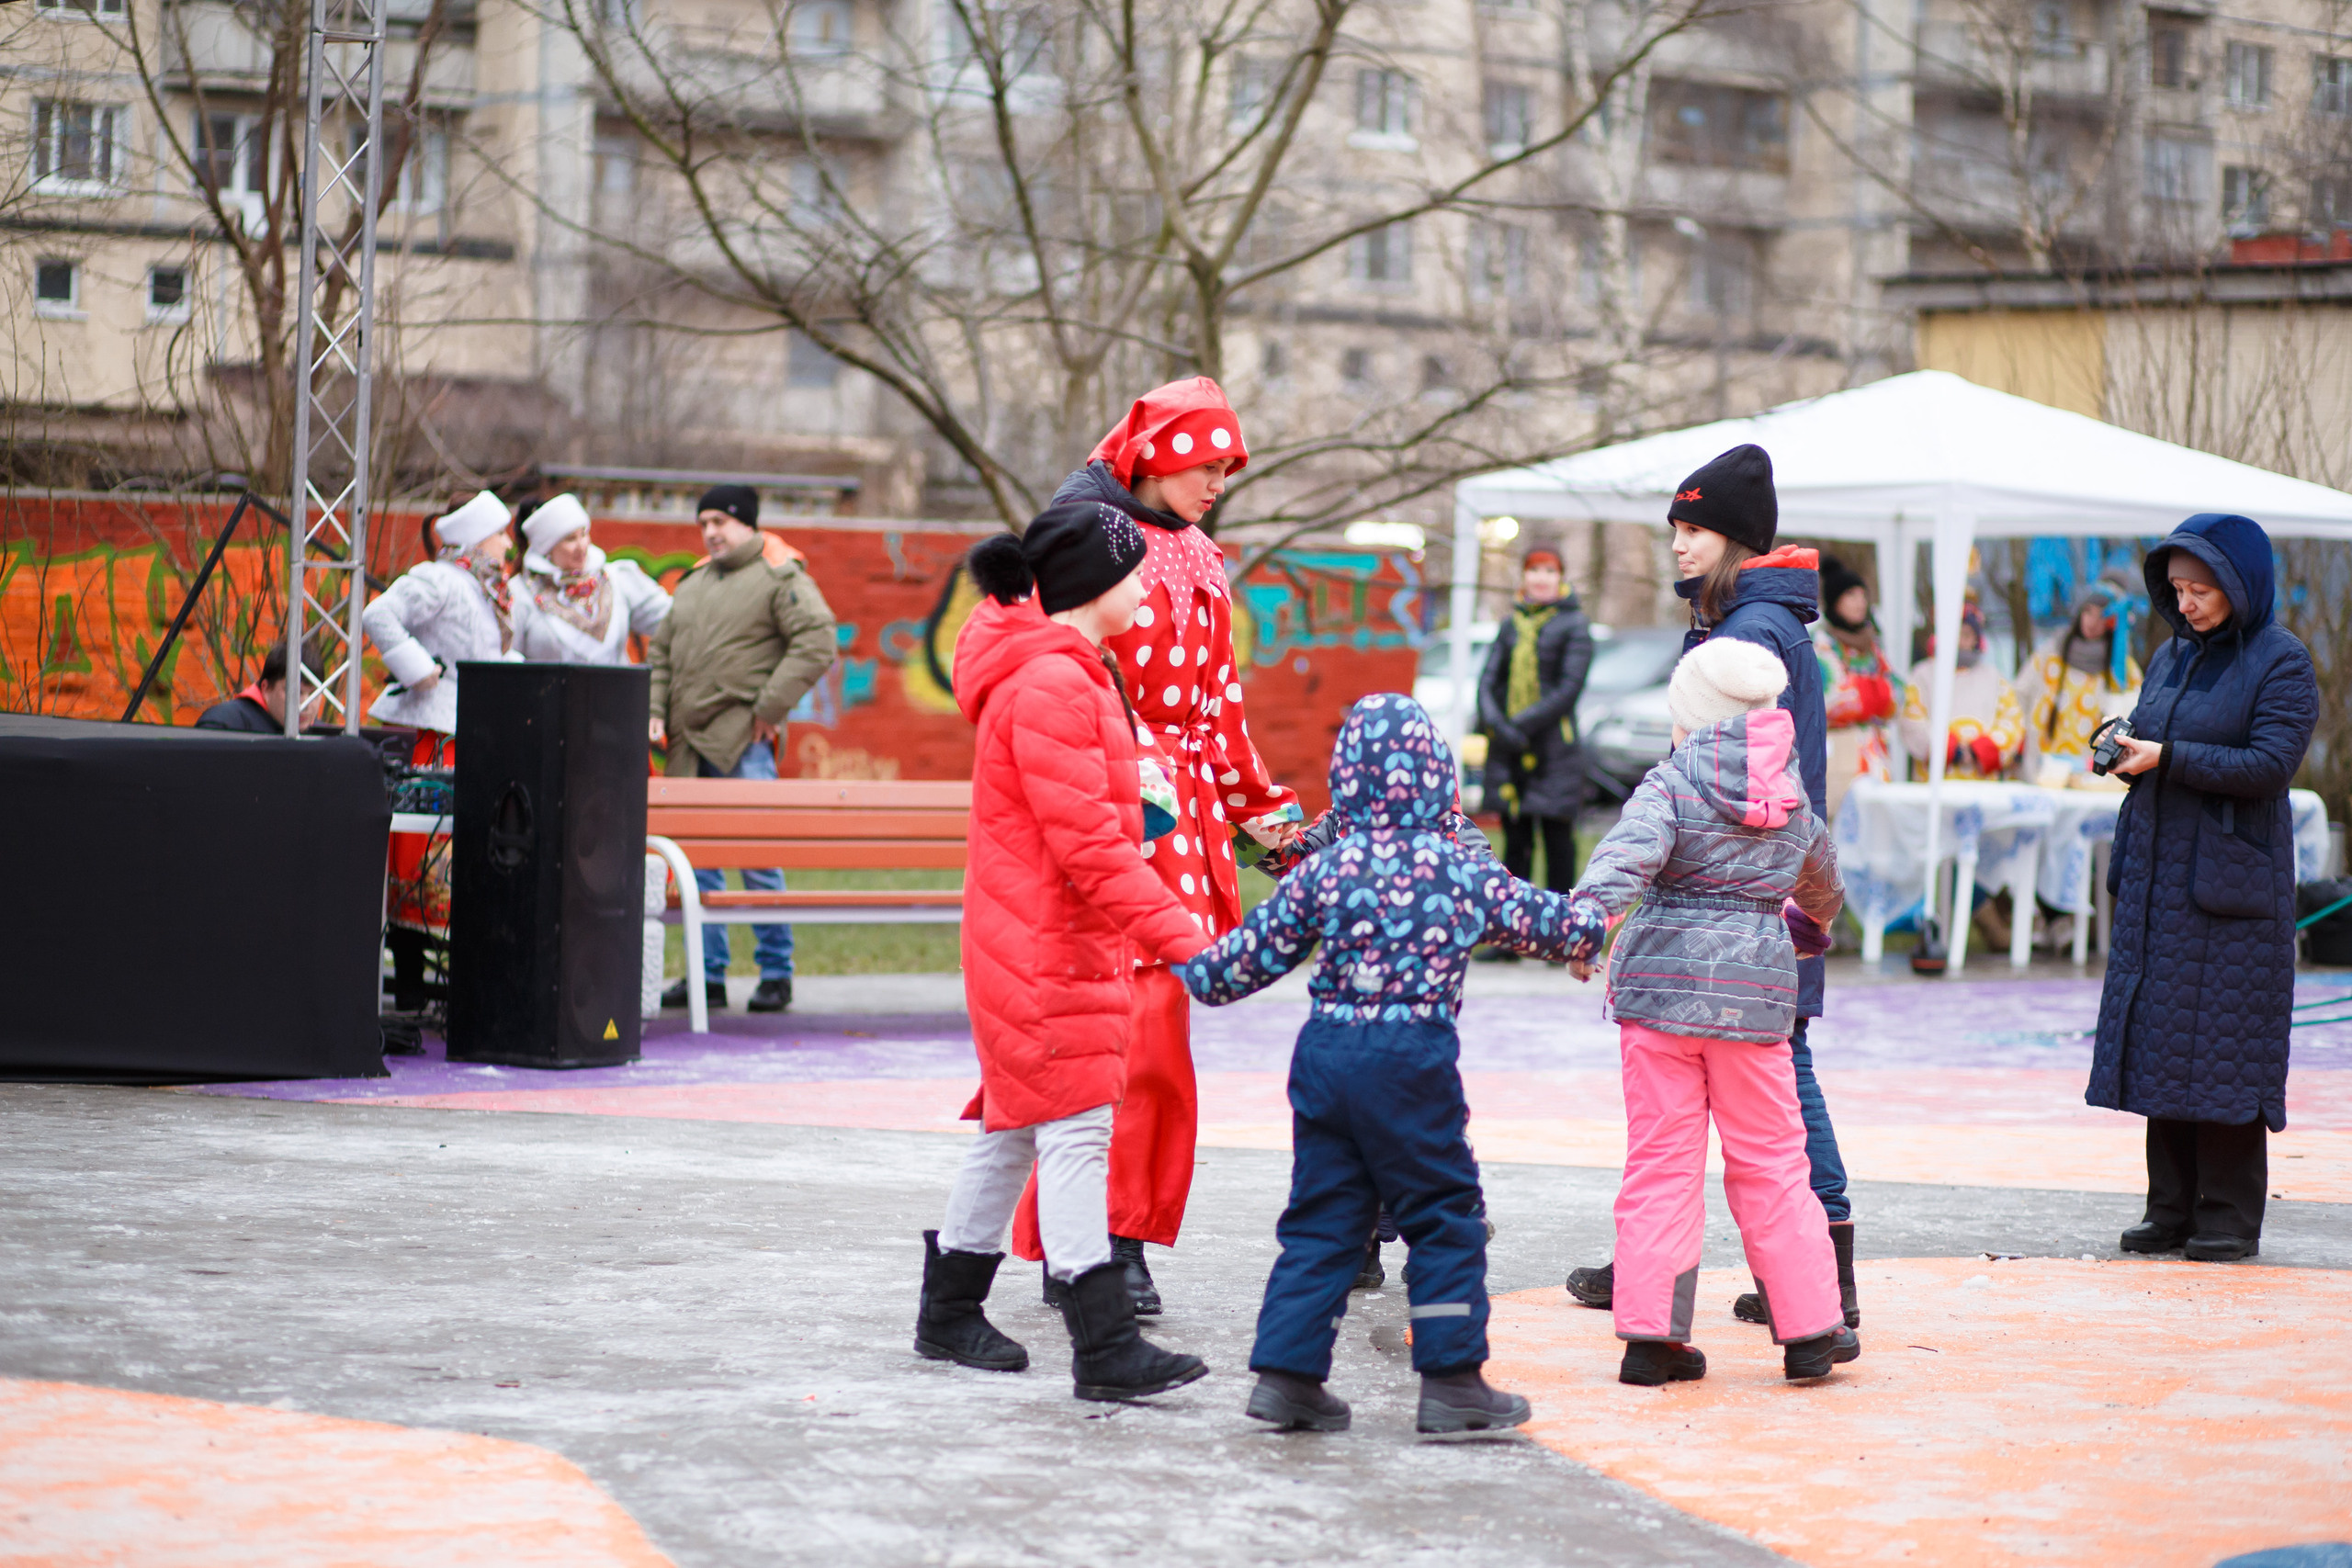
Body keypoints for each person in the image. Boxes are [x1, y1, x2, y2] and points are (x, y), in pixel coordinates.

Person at [1175, 694, 1581, 1435]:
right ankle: (1454, 1382)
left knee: (1323, 1221)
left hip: (1326, 1057)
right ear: (1437, 775)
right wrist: (1593, 933)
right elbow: (1547, 921)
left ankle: (1288, 1377)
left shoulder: (1326, 870)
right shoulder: (1457, 866)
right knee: (1445, 1217)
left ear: (1346, 780)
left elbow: (1227, 970)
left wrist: (1187, 958)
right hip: (1411, 1060)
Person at [1009, 377, 1304, 1313]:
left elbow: (1219, 708)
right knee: (1107, 1043)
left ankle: (1109, 1235)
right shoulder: (1078, 539)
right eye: (1204, 461)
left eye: (1227, 466)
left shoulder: (1204, 555)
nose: (1218, 478)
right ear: (1154, 452)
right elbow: (1038, 675)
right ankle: (1086, 1241)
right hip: (1094, 808)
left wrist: (1271, 826)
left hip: (1178, 830)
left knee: (1152, 1040)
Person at [912, 505, 1212, 1404]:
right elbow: (1089, 850)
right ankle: (1105, 1343)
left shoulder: (1072, 672)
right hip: (1043, 943)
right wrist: (1188, 944)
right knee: (1077, 1128)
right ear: (1089, 587)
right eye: (1133, 573)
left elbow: (1093, 820)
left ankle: (947, 1311)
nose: (1147, 587)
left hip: (1040, 937)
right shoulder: (1053, 684)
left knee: (1013, 1130)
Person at [1565, 443, 1862, 1334]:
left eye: (1693, 530)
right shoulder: (1737, 617)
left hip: (1742, 889)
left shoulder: (1750, 633)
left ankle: (1818, 1272)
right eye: (1675, 530)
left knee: (1775, 1078)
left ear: (1735, 539)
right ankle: (1735, 1274)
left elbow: (1747, 774)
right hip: (1760, 884)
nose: (1678, 547)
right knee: (1752, 1084)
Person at [2086, 514, 2316, 1264]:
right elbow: (2162, 743)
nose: (2186, 604)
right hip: (2161, 878)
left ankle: (2228, 1213)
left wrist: (2170, 756)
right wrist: (2126, 751)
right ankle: (2170, 1206)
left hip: (2230, 888)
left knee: (2224, 1046)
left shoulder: (2283, 662)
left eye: (2201, 590)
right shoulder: (2171, 656)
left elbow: (2269, 766)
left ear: (2240, 585)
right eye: (2178, 589)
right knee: (2162, 1041)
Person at [649, 484, 838, 1015]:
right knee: (696, 866)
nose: (710, 532)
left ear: (747, 524)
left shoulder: (779, 576)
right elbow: (661, 653)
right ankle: (706, 977)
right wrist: (656, 708)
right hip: (686, 747)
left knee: (757, 860)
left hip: (743, 744)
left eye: (720, 521)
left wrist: (768, 710)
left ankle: (775, 973)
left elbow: (818, 640)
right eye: (703, 522)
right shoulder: (692, 584)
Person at [361, 490, 518, 998]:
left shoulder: (487, 587)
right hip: (438, 738)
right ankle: (408, 988)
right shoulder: (440, 579)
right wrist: (418, 670)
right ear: (476, 538)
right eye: (500, 534)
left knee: (469, 858)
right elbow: (378, 615)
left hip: (480, 733)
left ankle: (460, 989)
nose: (508, 544)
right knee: (421, 859)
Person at [1475, 547, 1595, 956]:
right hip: (1510, 753)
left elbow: (1568, 690)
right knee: (1515, 844)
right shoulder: (1511, 625)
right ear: (1523, 577)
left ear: (1560, 578)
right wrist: (1497, 724)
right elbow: (1488, 680)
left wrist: (1518, 727)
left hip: (1553, 753)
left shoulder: (1575, 624)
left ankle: (1560, 936)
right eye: (1534, 570)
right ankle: (1512, 938)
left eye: (1549, 570)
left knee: (1558, 845)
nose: (1541, 578)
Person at [508, 492, 673, 665]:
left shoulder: (617, 579)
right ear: (547, 547)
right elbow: (508, 664)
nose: (582, 546)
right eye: (570, 539)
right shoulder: (521, 594)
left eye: (584, 534)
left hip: (616, 691)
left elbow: (674, 621)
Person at [2018, 570, 2143, 782]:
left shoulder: (2123, 670)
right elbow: (2019, 697)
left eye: (2100, 615)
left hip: (2093, 775)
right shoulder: (2050, 655)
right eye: (2088, 612)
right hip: (2044, 769)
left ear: (2112, 622)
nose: (2092, 622)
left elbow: (2135, 715)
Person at [1811, 554, 1900, 821]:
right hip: (1838, 754)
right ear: (1836, 602)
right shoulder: (1822, 645)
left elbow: (1898, 697)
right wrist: (1875, 694)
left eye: (1863, 595)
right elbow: (1832, 699)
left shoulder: (1873, 646)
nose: (1860, 602)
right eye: (1851, 595)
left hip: (1875, 757)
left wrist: (1867, 694)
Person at [1896, 596, 2023, 782]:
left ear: (1975, 639)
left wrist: (1979, 750)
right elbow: (1911, 718)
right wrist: (1948, 749)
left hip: (1980, 780)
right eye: (1954, 634)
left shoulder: (1993, 678)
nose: (1960, 642)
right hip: (1935, 780)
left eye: (1966, 635)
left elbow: (2012, 720)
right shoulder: (1923, 675)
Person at [194, 642, 317, 733]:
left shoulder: (323, 735)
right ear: (266, 688)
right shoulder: (222, 724)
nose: (305, 704)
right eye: (295, 692)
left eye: (314, 694)